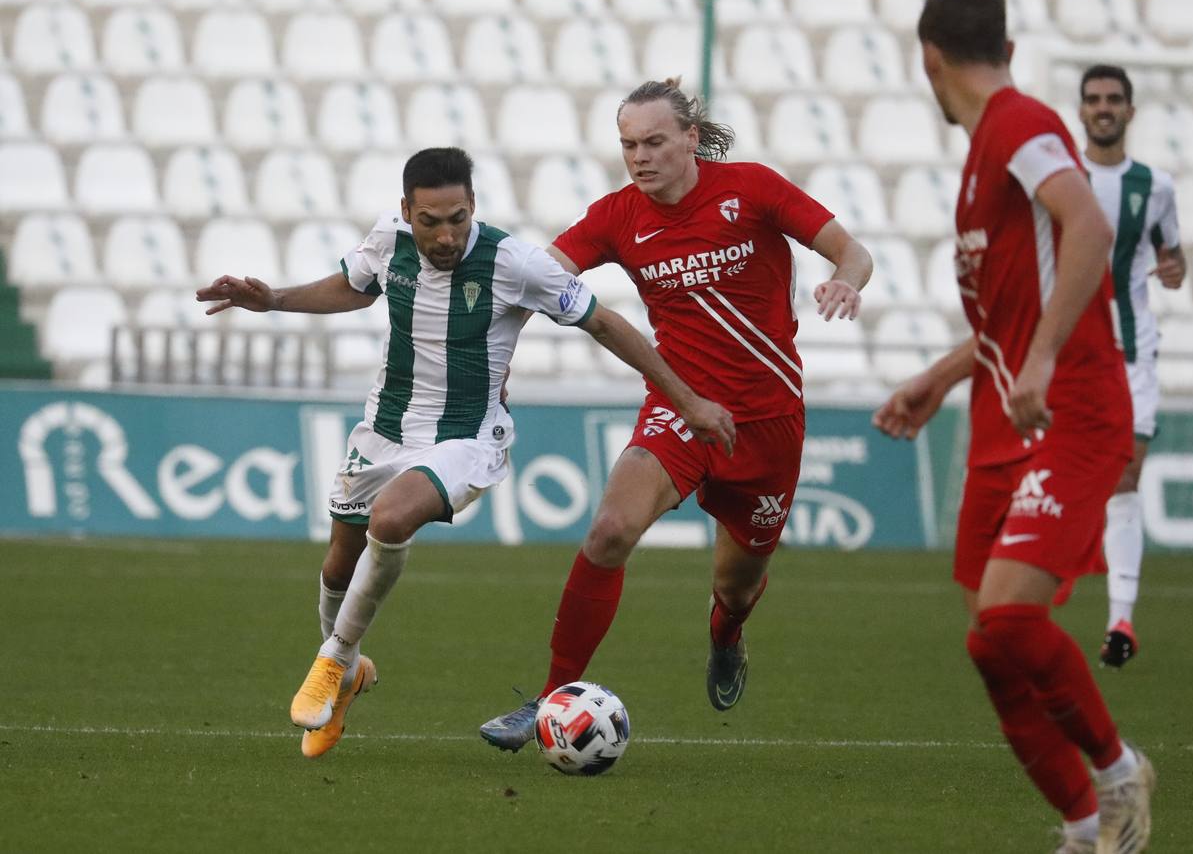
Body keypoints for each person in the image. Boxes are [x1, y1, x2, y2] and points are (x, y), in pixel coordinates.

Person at [195, 147, 734, 759]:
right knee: (338, 566)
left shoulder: (514, 261)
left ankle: (334, 657)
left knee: (392, 519)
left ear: (472, 205)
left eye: (457, 217)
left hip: (467, 437)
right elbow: (351, 287)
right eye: (430, 221)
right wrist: (274, 300)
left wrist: (686, 400)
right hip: (383, 429)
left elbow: (604, 323)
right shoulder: (388, 240)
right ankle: (346, 678)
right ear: (407, 212)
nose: (446, 234)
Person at [479, 78, 873, 749]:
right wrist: (496, 364)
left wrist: (845, 280)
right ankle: (550, 698)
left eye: (655, 141)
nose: (640, 156)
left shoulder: (752, 189)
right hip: (682, 409)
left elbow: (852, 251)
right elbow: (530, 283)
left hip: (768, 423)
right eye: (628, 144)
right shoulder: (616, 217)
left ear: (691, 137)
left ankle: (727, 635)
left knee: (736, 589)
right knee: (608, 531)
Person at [871, 0, 1154, 854]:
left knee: (1009, 620)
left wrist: (1037, 360)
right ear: (1009, 48)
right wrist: (946, 375)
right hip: (1004, 415)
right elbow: (1010, 310)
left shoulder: (1021, 125)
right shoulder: (990, 142)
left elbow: (1090, 229)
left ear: (928, 57)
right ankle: (1080, 827)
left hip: (1068, 411)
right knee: (990, 645)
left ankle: (1118, 776)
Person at [1078, 64, 1186, 668]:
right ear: (1081, 110)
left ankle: (1121, 618)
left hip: (1133, 347)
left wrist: (1176, 269)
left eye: (1114, 99)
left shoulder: (1157, 186)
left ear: (1130, 110)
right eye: (1094, 99)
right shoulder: (1063, 179)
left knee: (1126, 475)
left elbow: (1174, 256)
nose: (1104, 107)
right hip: (1072, 350)